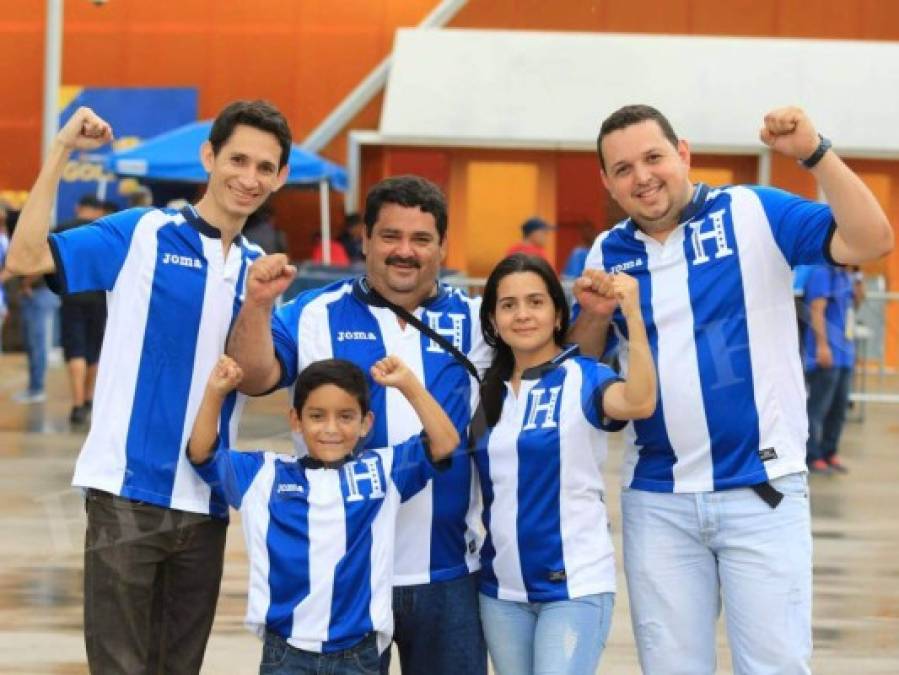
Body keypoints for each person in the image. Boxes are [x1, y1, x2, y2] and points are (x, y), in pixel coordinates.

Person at [568, 104, 892, 674]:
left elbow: (871, 239)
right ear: (607, 183)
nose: (641, 176)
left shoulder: (751, 211)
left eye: (653, 157)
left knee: (775, 667)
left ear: (684, 153)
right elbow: (584, 367)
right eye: (623, 169)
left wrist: (816, 153)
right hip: (657, 499)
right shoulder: (606, 252)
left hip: (761, 491)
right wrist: (592, 318)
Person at [5, 99, 292, 673]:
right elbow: (26, 256)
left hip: (208, 502)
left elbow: (260, 379)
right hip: (126, 495)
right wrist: (61, 149)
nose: (249, 177)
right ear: (209, 156)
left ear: (280, 177)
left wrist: (260, 304)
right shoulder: (143, 232)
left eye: (265, 167)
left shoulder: (261, 268)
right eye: (238, 159)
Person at [227, 174, 491, 675]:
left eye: (421, 239)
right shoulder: (314, 314)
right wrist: (258, 305)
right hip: (339, 584)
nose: (404, 251)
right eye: (390, 236)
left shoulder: (479, 322)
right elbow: (254, 376)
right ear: (365, 239)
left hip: (448, 573)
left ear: (442, 245)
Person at [188, 354, 460, 674]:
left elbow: (445, 443)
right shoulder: (263, 475)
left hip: (359, 654)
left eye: (346, 416)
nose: (331, 428)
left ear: (366, 423)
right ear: (296, 420)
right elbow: (202, 452)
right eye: (317, 416)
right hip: (285, 652)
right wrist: (215, 393)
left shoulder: (381, 472)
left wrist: (408, 385)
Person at [471, 254, 656, 675]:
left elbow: (640, 401)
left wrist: (634, 316)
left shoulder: (582, 376)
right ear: (494, 320)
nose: (522, 315)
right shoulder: (485, 394)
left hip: (574, 588)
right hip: (501, 591)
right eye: (508, 305)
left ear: (558, 314)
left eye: (535, 302)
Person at [55, 195, 108, 426]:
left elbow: (51, 262)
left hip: (72, 296)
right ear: (98, 210)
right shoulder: (103, 232)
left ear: (78, 207)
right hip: (99, 298)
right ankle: (88, 399)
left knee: (75, 350)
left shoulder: (64, 229)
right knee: (93, 350)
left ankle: (77, 405)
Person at [803, 263, 856, 474]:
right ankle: (812, 455)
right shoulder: (821, 272)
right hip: (826, 354)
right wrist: (822, 346)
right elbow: (817, 311)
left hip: (845, 354)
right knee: (818, 408)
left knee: (839, 408)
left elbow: (856, 303)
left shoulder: (845, 274)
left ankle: (829, 451)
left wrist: (858, 279)